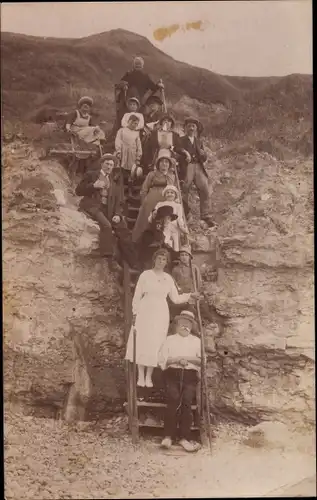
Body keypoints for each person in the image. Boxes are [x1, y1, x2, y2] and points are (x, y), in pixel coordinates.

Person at [125, 249, 200, 388]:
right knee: (143, 340)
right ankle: (141, 376)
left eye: (164, 259)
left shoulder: (168, 278)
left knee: (155, 342)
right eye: (159, 258)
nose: (161, 261)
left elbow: (176, 298)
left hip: (160, 312)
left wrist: (190, 295)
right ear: (154, 259)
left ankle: (149, 376)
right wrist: (135, 313)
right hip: (145, 309)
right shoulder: (145, 275)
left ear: (167, 262)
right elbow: (136, 296)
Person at [158, 310, 202, 452]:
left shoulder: (196, 341)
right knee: (173, 398)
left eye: (188, 324)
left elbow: (201, 361)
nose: (185, 327)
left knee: (187, 401)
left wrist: (185, 358)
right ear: (177, 324)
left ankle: (184, 437)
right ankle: (168, 436)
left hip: (190, 375)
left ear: (192, 326)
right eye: (182, 323)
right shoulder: (169, 339)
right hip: (172, 373)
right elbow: (163, 360)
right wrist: (177, 360)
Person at [75, 153, 122, 258]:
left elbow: (118, 202)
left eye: (111, 165)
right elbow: (78, 191)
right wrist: (93, 186)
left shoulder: (113, 182)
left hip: (107, 209)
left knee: (122, 229)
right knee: (107, 225)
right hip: (92, 206)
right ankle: (107, 255)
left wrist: (118, 214)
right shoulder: (91, 175)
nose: (109, 167)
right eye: (107, 164)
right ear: (101, 164)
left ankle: (124, 261)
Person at [132, 149, 176, 243]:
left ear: (169, 164)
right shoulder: (152, 174)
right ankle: (143, 242)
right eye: (162, 162)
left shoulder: (172, 176)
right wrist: (143, 202)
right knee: (148, 221)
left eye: (166, 162)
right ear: (158, 164)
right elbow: (144, 189)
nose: (164, 164)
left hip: (165, 200)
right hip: (151, 201)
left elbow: (174, 190)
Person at [178, 118, 214, 227]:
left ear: (196, 129)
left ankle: (205, 215)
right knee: (184, 189)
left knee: (205, 189)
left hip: (198, 166)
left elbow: (204, 158)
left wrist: (203, 154)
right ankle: (185, 214)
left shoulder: (199, 141)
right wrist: (184, 156)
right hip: (187, 166)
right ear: (185, 128)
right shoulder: (181, 140)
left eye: (193, 126)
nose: (191, 128)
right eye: (189, 126)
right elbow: (177, 152)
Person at [148, 185, 188, 251]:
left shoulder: (178, 206)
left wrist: (183, 228)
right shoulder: (160, 204)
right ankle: (163, 255)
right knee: (165, 240)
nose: (169, 194)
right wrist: (153, 215)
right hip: (163, 225)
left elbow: (180, 218)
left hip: (174, 225)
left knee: (175, 242)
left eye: (172, 193)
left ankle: (175, 255)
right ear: (165, 194)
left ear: (175, 195)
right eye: (167, 192)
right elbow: (153, 214)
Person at [115, 114, 143, 185]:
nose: (135, 125)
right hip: (123, 151)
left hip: (132, 153)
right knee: (121, 167)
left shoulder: (136, 133)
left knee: (132, 170)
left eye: (136, 124)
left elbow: (138, 145)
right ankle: (119, 185)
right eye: (134, 123)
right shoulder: (122, 130)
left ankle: (130, 187)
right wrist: (118, 151)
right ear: (129, 121)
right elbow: (118, 140)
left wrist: (138, 156)